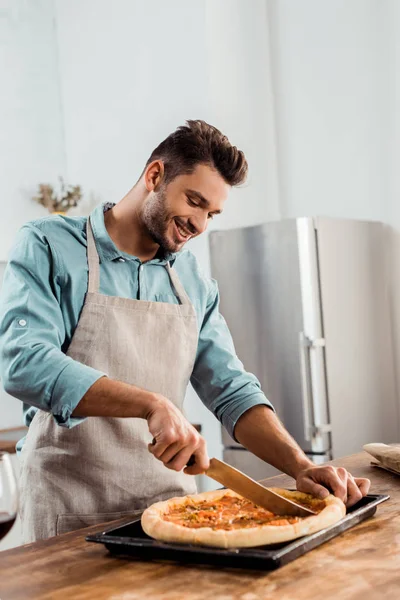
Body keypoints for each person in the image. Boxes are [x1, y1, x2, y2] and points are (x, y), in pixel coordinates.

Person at [0, 120, 370, 543]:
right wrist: (150, 403)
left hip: (173, 512)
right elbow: (24, 362)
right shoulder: (49, 245)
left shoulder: (192, 281)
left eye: (211, 213)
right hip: (68, 515)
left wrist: (301, 467)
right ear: (155, 175)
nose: (199, 224)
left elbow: (231, 390)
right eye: (194, 201)